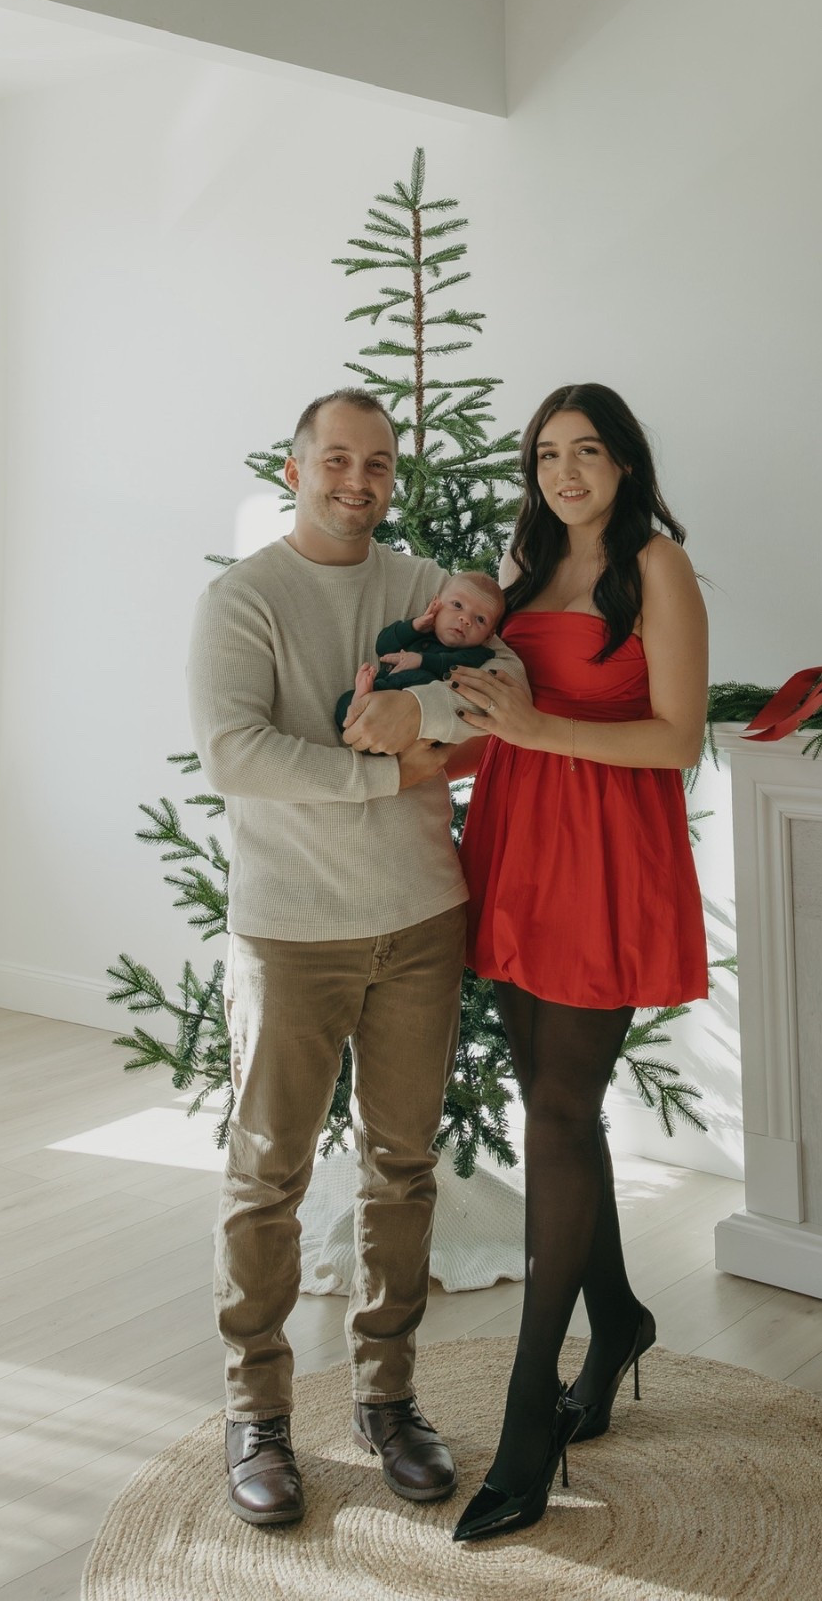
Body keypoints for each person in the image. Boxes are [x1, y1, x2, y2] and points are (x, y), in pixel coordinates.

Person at [186, 387, 527, 1529]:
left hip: (422, 918)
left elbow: (510, 687)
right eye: (337, 459)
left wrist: (420, 710)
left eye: (378, 462)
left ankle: (388, 1398)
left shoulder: (423, 586)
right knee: (267, 1172)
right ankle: (259, 1413)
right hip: (289, 930)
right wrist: (395, 769)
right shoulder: (243, 599)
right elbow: (238, 751)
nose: (359, 479)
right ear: (296, 469)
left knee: (404, 1165)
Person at [445, 381, 709, 1544]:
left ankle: (524, 1418)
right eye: (547, 453)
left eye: (586, 450)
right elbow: (472, 700)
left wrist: (535, 725)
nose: (564, 470)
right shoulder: (519, 571)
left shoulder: (655, 567)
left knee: (562, 1105)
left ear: (625, 463)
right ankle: (617, 1321)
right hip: (514, 843)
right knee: (556, 1107)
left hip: (603, 856)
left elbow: (679, 733)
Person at [334, 569, 506, 734]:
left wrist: (421, 660)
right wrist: (414, 626)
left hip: (416, 711)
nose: (466, 619)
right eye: (457, 605)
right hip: (380, 691)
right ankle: (359, 702)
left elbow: (458, 667)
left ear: (489, 636)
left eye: (480, 619)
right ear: (436, 604)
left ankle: (367, 706)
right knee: (343, 701)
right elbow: (382, 646)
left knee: (424, 680)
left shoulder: (479, 653)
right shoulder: (417, 633)